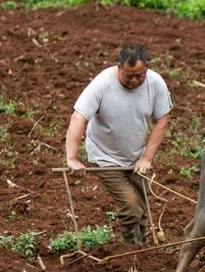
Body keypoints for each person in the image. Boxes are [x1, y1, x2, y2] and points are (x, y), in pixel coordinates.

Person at [65, 44, 171, 245]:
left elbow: (162, 121)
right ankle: (131, 252)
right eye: (128, 76)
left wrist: (146, 158)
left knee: (142, 204)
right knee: (130, 207)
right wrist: (72, 158)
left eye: (139, 76)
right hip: (105, 157)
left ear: (147, 67)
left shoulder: (155, 83)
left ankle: (142, 250)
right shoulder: (102, 83)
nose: (133, 80)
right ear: (119, 67)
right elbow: (78, 117)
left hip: (136, 157)